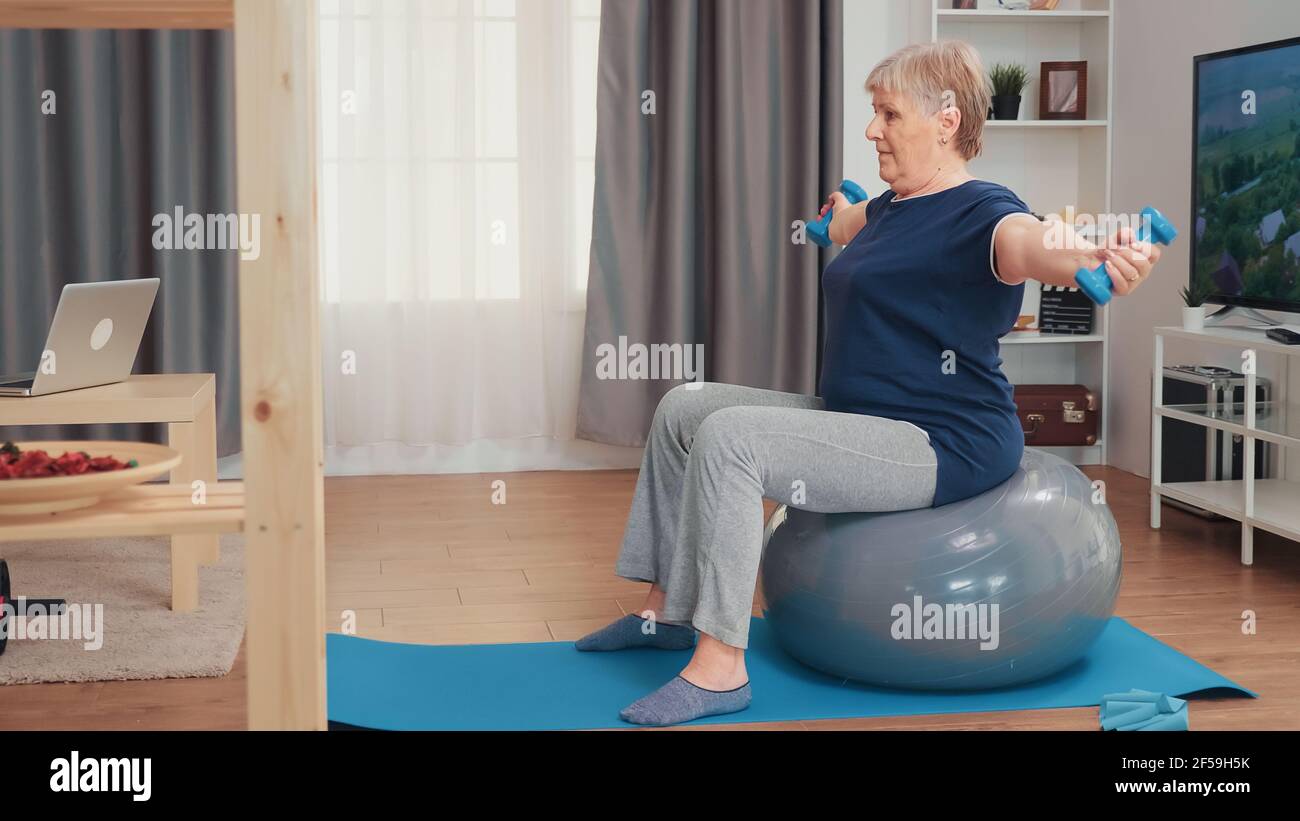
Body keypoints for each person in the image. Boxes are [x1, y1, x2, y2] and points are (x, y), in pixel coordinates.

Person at [576, 40, 1162, 727]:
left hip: (942, 439)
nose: (870, 129)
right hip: (860, 416)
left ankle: (718, 668)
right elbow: (843, 223)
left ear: (946, 120)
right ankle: (665, 611)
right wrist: (838, 214)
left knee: (733, 438)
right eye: (872, 112)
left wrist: (1095, 253)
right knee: (685, 407)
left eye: (886, 113)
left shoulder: (985, 212)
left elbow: (1032, 244)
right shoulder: (890, 208)